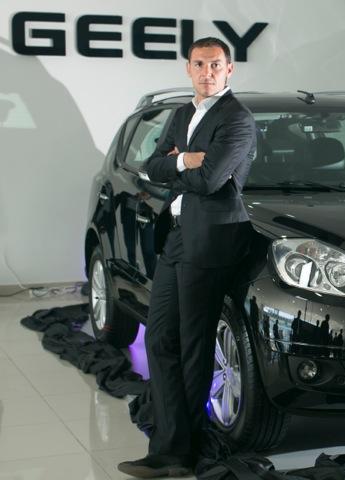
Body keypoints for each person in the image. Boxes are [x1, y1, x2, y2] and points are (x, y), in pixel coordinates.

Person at [118, 37, 256, 478]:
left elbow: (213, 180)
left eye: (215, 65)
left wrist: (182, 165)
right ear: (188, 68)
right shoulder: (180, 114)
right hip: (177, 236)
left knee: (194, 346)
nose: (207, 72)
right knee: (159, 338)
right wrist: (183, 162)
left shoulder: (237, 118)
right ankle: (169, 444)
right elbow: (152, 166)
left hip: (212, 239)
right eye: (199, 64)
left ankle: (182, 452)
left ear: (230, 69)